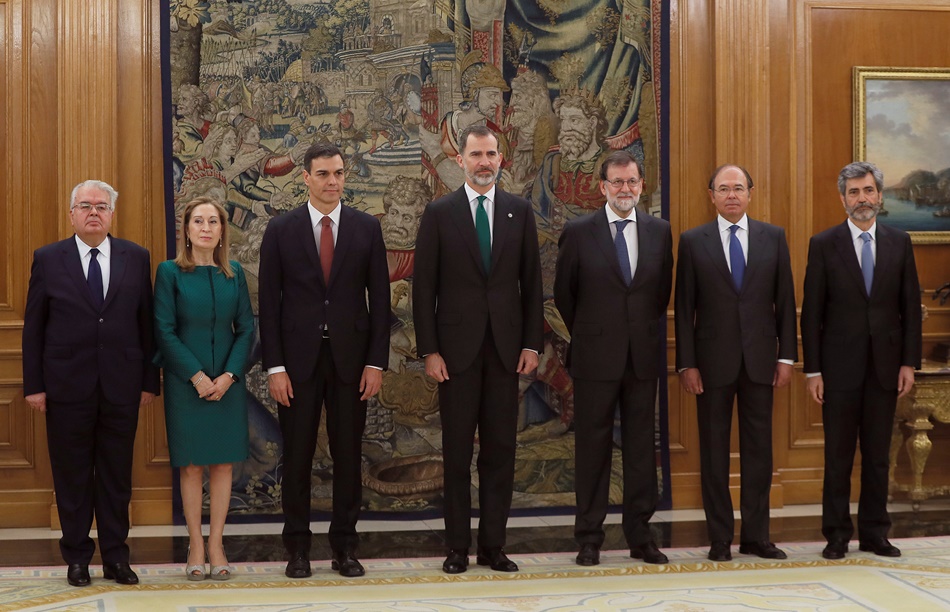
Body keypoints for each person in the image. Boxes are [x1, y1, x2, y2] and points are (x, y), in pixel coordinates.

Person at [413, 125, 544, 574]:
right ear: (461, 160)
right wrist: (429, 350)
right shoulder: (439, 213)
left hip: (507, 352)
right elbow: (423, 287)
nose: (484, 161)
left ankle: (493, 547)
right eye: (476, 154)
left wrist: (531, 343)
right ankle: (456, 549)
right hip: (455, 354)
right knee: (455, 455)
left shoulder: (519, 211)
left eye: (491, 154)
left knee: (500, 452)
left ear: (501, 159)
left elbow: (532, 285)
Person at [258, 143, 390, 579]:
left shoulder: (366, 228)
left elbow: (380, 300)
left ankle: (345, 549)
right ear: (306, 178)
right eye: (323, 174)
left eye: (338, 173)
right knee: (296, 456)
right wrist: (274, 367)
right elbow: (270, 305)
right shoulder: (281, 229)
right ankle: (297, 549)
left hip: (352, 363)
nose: (332, 181)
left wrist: (377, 363)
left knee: (348, 456)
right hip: (296, 365)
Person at [22, 180, 160, 587]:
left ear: (112, 214)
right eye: (85, 206)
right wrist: (34, 385)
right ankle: (78, 558)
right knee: (73, 476)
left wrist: (149, 380)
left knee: (116, 477)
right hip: (66, 388)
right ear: (72, 214)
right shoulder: (48, 259)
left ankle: (117, 558)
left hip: (123, 385)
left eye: (101, 206)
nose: (93, 212)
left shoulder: (136, 257)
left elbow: (146, 324)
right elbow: (35, 328)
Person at [554, 150, 673, 566]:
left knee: (642, 448)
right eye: (617, 182)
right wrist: (595, 331)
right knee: (593, 448)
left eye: (632, 182)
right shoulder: (579, 231)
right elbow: (566, 296)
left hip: (641, 357)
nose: (626, 189)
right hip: (594, 357)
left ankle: (641, 537)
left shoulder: (660, 232)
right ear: (602, 187)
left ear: (642, 185)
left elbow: (660, 295)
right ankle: (589, 538)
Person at [674, 164, 797, 562]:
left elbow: (785, 303)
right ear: (710, 195)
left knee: (760, 452)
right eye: (723, 189)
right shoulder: (693, 242)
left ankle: (757, 536)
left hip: (761, 362)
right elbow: (685, 307)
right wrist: (686, 364)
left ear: (750, 193)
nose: (731, 195)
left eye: (738, 188)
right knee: (713, 453)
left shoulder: (774, 238)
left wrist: (786, 357)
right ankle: (720, 538)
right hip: (710, 366)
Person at [801, 161, 921, 560]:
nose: (862, 199)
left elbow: (908, 307)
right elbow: (812, 314)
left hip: (886, 368)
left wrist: (909, 363)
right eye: (853, 192)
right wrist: (813, 370)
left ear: (880, 196)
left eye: (868, 191)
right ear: (842, 199)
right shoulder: (823, 244)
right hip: (837, 370)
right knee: (837, 456)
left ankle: (875, 533)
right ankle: (836, 534)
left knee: (877, 455)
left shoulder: (900, 242)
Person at [153, 197, 254, 581]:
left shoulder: (235, 273)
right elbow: (163, 330)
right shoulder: (170, 273)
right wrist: (196, 376)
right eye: (199, 221)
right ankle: (195, 543)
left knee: (223, 464)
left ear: (222, 230)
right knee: (193, 465)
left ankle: (217, 544)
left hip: (228, 384)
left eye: (213, 221)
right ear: (187, 229)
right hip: (186, 383)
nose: (206, 227)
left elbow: (246, 328)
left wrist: (229, 376)